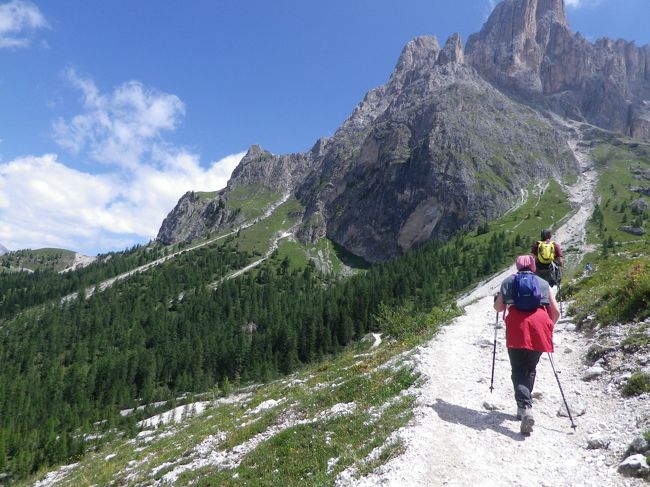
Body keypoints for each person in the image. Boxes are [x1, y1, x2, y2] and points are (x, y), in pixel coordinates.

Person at [493, 255, 561, 435]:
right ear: (532, 266)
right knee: (530, 368)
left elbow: (499, 308)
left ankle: (524, 408)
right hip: (539, 325)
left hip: (516, 326)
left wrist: (499, 299)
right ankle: (524, 406)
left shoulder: (508, 282)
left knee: (517, 368)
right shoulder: (543, 283)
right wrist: (548, 327)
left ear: (517, 266)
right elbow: (556, 311)